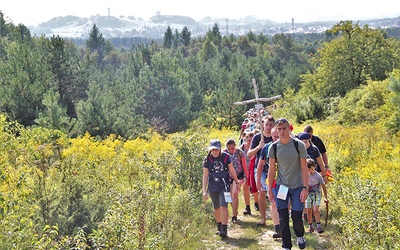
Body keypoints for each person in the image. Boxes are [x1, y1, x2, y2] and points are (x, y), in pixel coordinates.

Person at [267, 118, 308, 250]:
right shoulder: (273, 147)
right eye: (279, 129)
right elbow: (271, 169)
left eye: (284, 128)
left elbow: (304, 168)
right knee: (283, 217)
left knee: (296, 217)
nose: (282, 131)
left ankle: (300, 235)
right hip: (281, 186)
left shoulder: (298, 145)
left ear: (289, 128)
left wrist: (305, 188)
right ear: (276, 130)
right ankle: (286, 246)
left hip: (297, 186)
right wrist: (269, 190)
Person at [203, 139, 241, 239]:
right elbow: (205, 175)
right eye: (213, 149)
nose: (215, 151)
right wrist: (204, 190)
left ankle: (224, 229)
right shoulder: (207, 159)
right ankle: (219, 226)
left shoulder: (226, 157)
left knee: (224, 205)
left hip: (224, 185)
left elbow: (231, 170)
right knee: (216, 207)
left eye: (217, 149)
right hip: (213, 186)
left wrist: (237, 182)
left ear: (220, 149)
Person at [247, 115, 275, 225]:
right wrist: (258, 147)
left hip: (274, 169)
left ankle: (277, 219)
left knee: (274, 193)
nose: (268, 127)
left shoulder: (275, 136)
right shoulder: (258, 137)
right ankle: (263, 219)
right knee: (262, 191)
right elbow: (249, 154)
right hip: (261, 169)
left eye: (270, 125)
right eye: (266, 124)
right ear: (263, 125)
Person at [256, 127, 281, 238]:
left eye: (278, 136)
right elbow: (260, 165)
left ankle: (282, 222)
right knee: (273, 201)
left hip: (285, 179)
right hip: (270, 177)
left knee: (284, 202)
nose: (276, 139)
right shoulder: (267, 147)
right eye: (274, 137)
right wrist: (258, 180)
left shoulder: (288, 146)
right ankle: (277, 228)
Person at [223, 138, 248, 223]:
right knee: (228, 196)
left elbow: (244, 166)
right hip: (227, 177)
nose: (231, 150)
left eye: (232, 148)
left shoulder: (240, 153)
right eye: (229, 149)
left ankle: (234, 216)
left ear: (235, 147)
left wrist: (246, 177)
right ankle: (235, 210)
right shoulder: (223, 153)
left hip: (238, 175)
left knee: (234, 193)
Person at [305, 158, 328, 234]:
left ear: (315, 167)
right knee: (308, 210)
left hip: (317, 193)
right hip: (308, 194)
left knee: (315, 209)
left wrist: (326, 197)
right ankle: (310, 226)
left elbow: (323, 187)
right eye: (308, 170)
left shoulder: (318, 176)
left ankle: (318, 226)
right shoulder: (305, 175)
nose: (310, 171)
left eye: (311, 169)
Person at [240, 131, 255, 215]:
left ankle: (257, 203)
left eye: (252, 140)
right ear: (245, 140)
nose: (250, 142)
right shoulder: (242, 148)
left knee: (256, 188)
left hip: (254, 169)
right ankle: (247, 206)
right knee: (245, 187)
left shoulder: (256, 148)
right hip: (245, 170)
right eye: (249, 140)